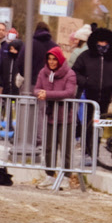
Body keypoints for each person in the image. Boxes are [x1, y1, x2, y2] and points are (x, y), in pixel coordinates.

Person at [73, 27, 112, 160]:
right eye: (100, 41)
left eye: (105, 42)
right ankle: (87, 153)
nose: (103, 45)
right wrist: (85, 82)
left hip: (105, 98)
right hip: (88, 96)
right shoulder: (85, 56)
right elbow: (75, 72)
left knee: (99, 126)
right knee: (88, 125)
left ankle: (95, 154)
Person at [34, 47, 77, 188]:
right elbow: (36, 88)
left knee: (65, 148)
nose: (51, 62)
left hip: (66, 117)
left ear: (60, 60)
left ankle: (66, 176)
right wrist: (40, 93)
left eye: (54, 59)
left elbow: (69, 92)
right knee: (48, 147)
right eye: (49, 59)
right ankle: (49, 175)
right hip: (50, 115)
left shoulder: (70, 74)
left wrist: (47, 94)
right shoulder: (43, 72)